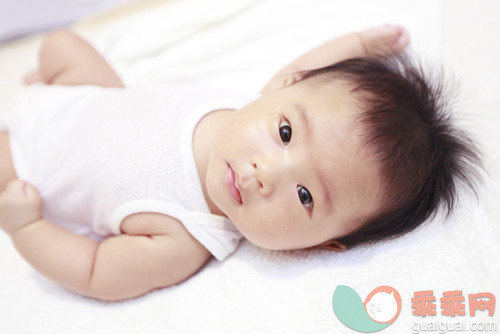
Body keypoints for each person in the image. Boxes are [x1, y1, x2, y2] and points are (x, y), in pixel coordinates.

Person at [0, 25, 480, 301]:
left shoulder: (184, 236)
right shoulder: (253, 102)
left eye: (306, 196)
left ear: (321, 245)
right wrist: (361, 44)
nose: (264, 172)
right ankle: (44, 82)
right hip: (88, 96)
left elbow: (94, 272)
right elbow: (305, 72)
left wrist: (27, 230)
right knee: (61, 43)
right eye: (287, 134)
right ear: (289, 90)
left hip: (28, 165)